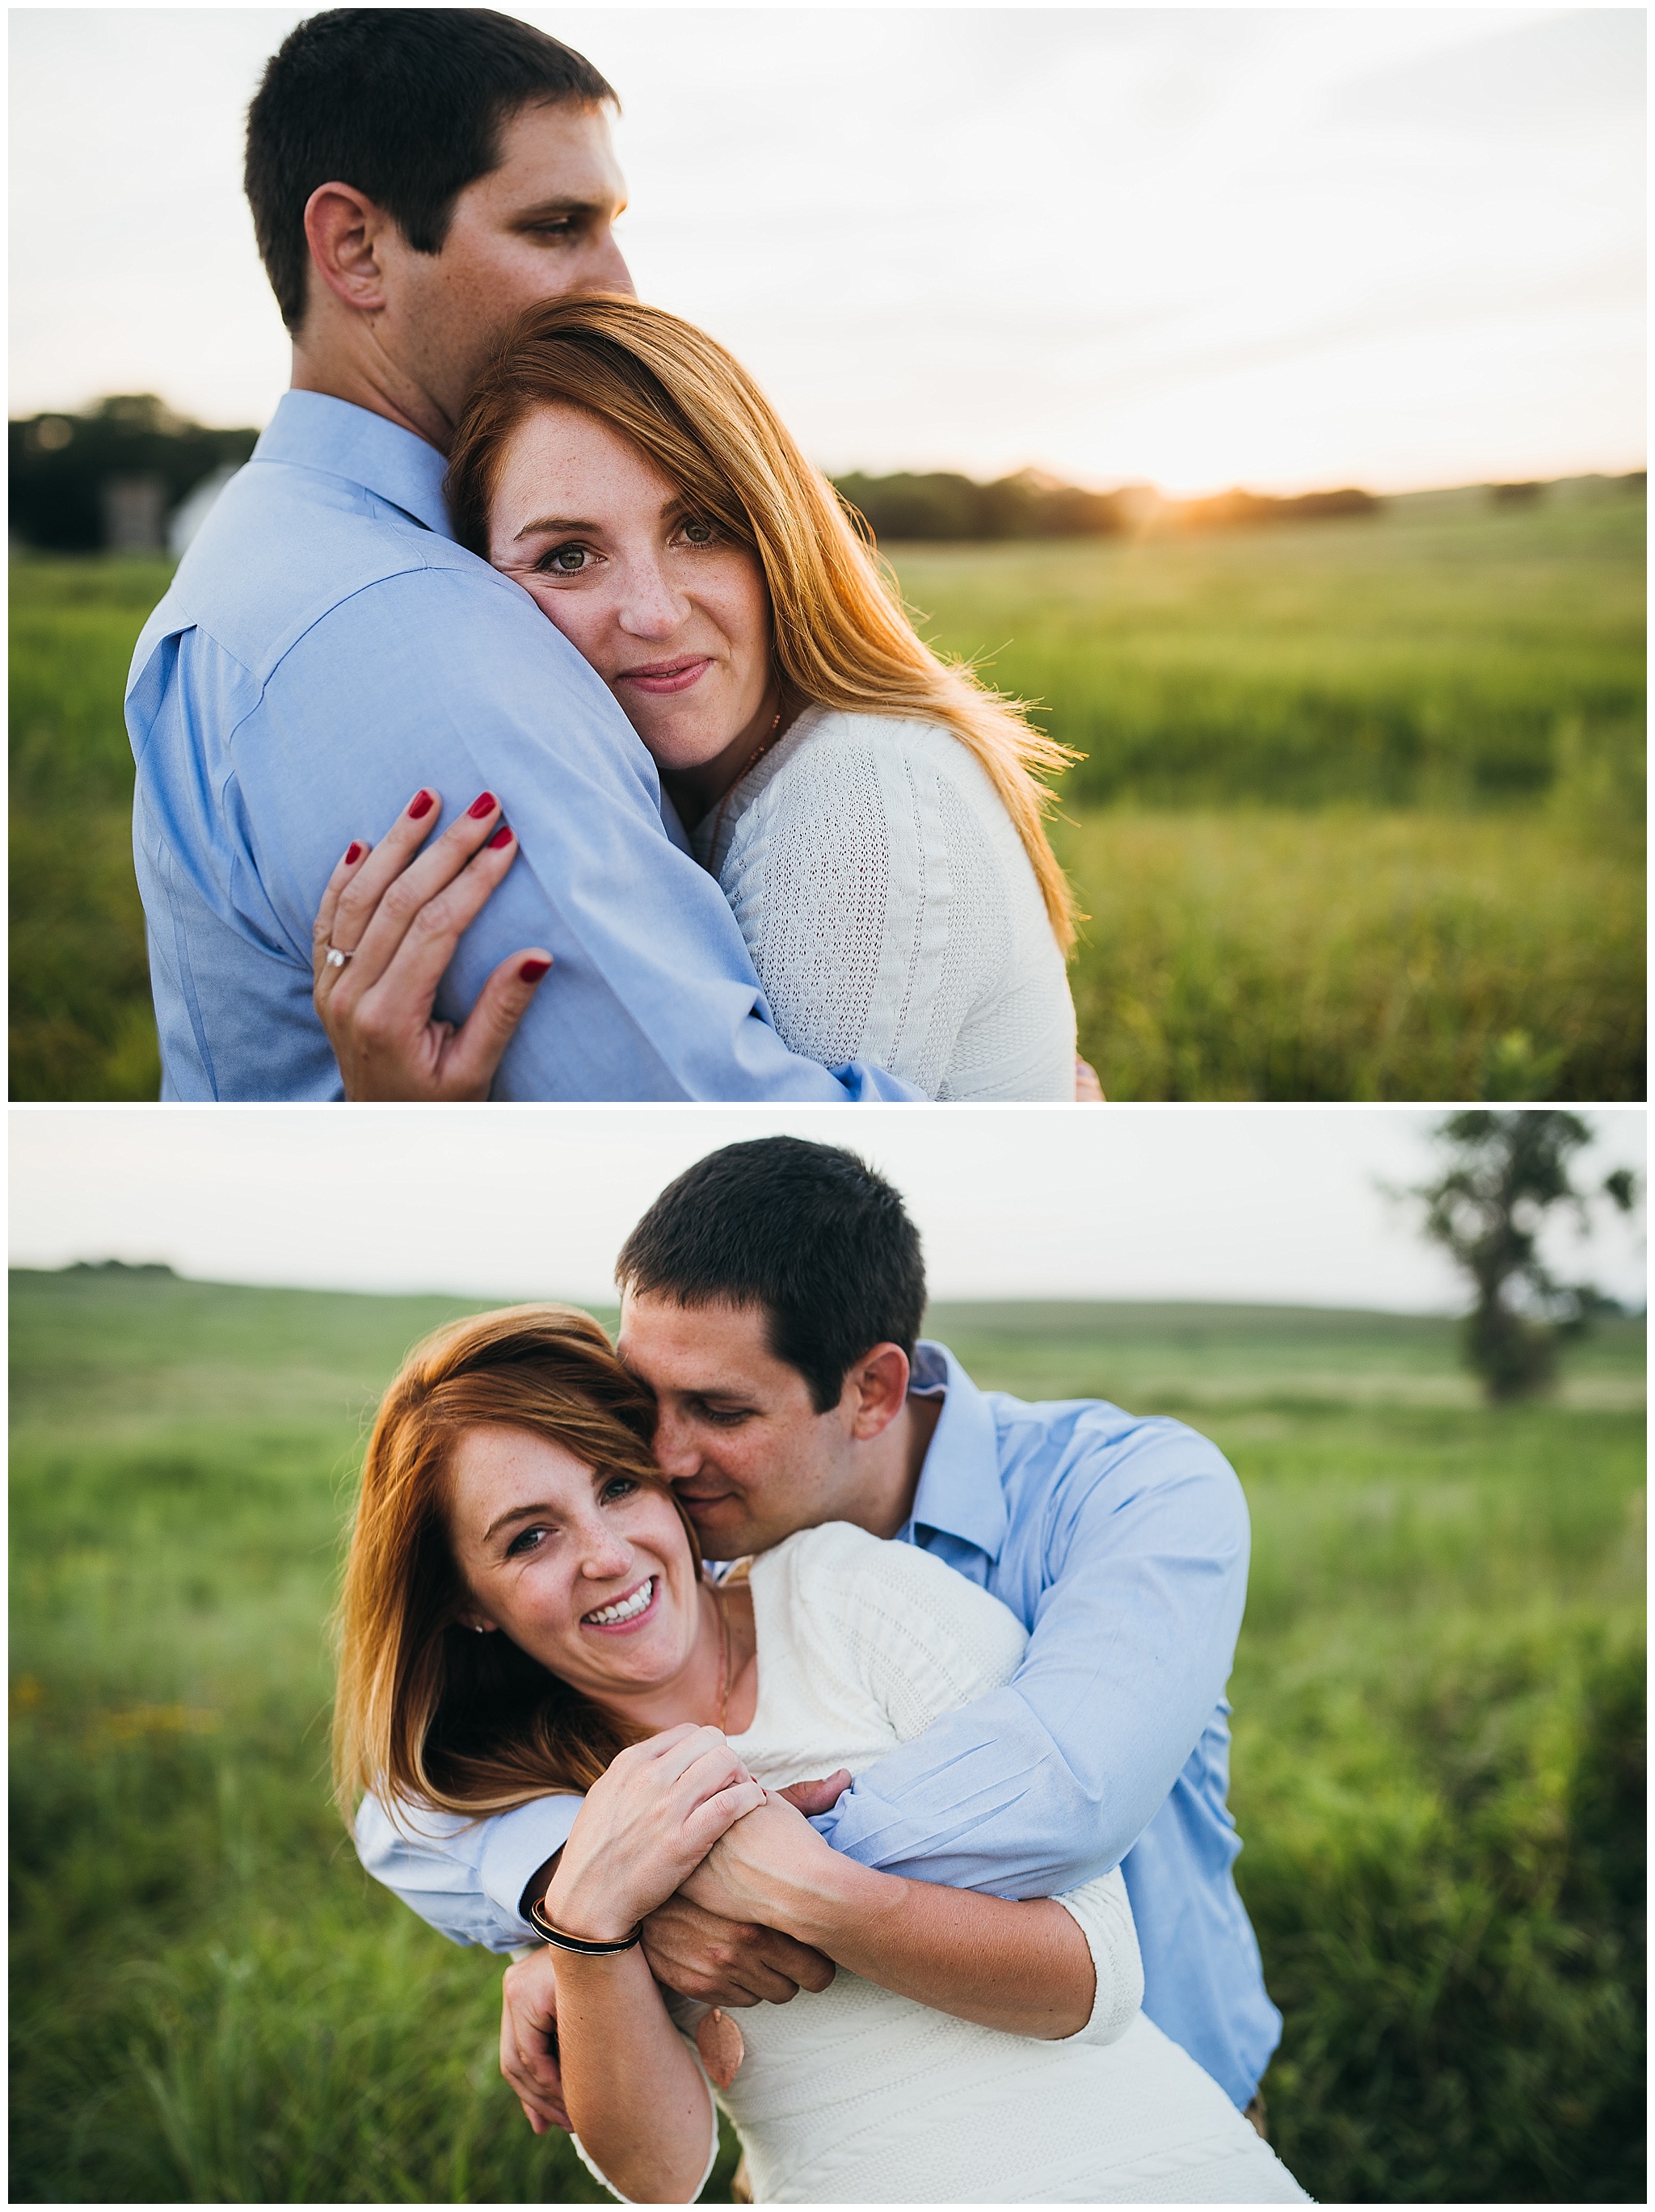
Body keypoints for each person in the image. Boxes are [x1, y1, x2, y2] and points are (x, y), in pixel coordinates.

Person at [356, 1138, 1286, 2150]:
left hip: (1151, 2114)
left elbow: (1062, 1790)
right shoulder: (690, 1545)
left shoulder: (1131, 1492)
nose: (659, 1457)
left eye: (717, 1409)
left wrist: (652, 1900)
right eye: (644, 1402)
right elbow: (399, 1812)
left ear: (873, 1391)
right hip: (847, 2142)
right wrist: (576, 1896)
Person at [124, 8, 920, 1103]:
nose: (619, 284)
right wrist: (1027, 1110)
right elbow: (696, 1112)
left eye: (612, 225)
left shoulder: (262, 555)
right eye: (556, 226)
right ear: (356, 247)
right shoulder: (409, 635)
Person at [310, 296, 1083, 1101]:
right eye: (569, 555)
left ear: (776, 533)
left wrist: (406, 1123)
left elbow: (771, 1214)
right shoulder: (710, 793)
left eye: (700, 528)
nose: (654, 612)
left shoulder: (852, 800)